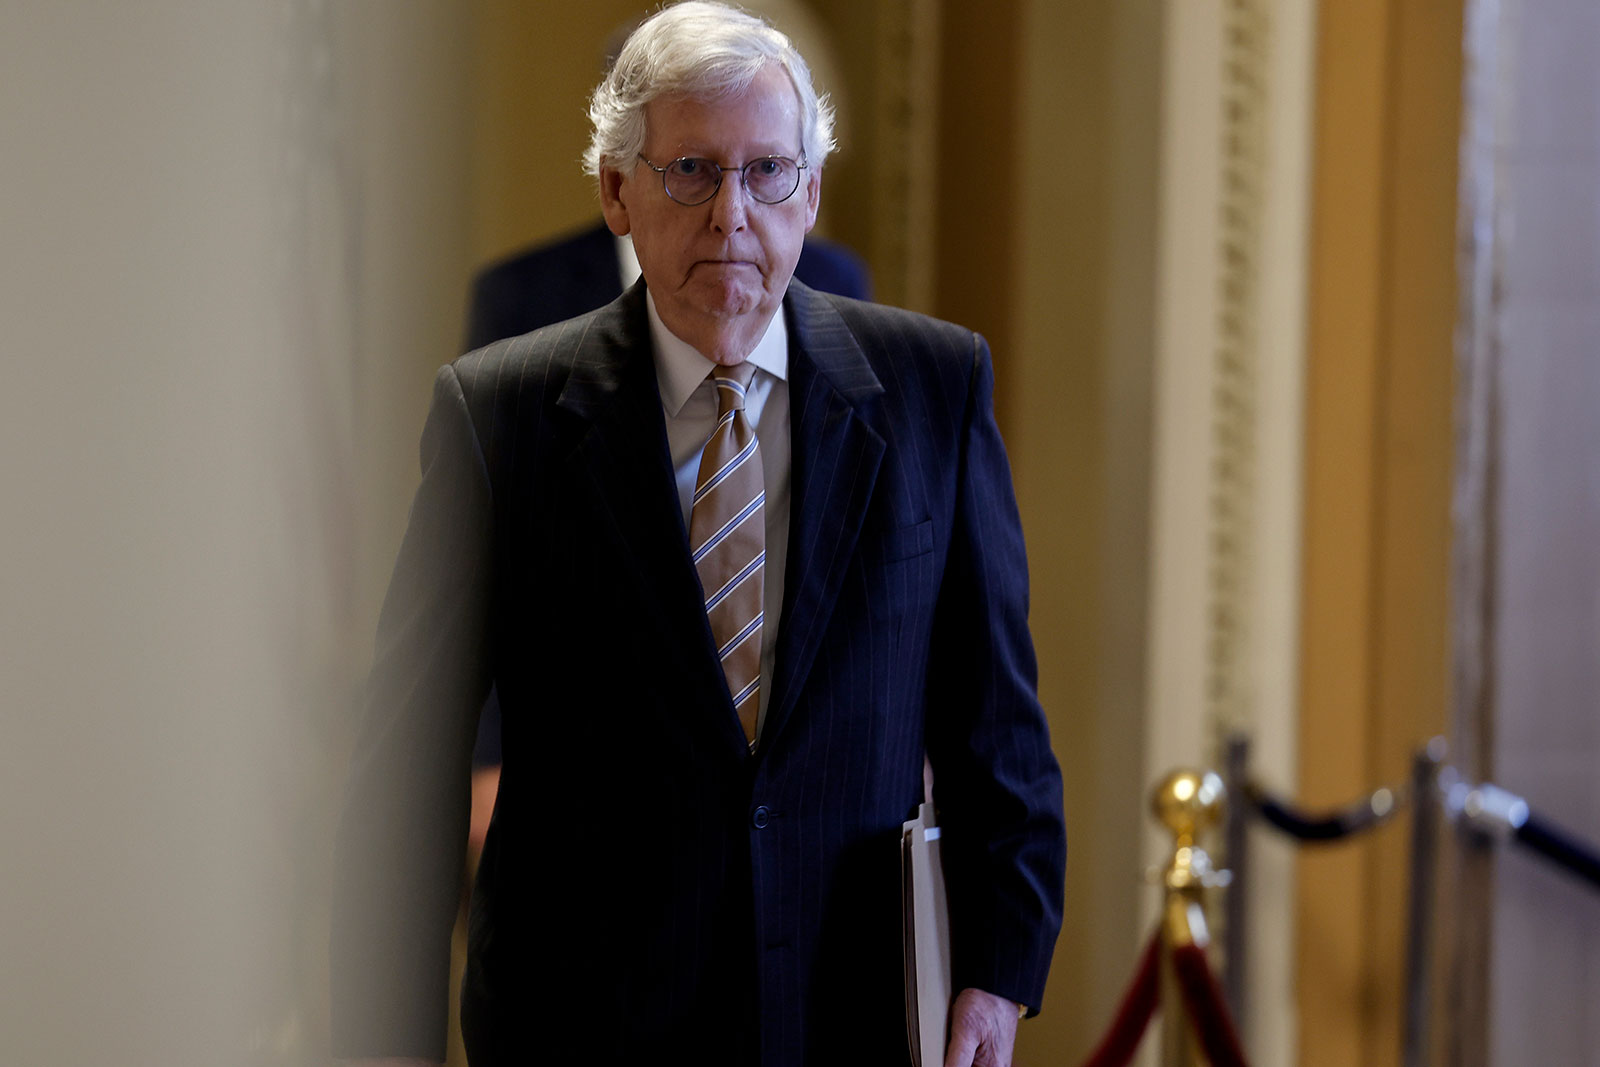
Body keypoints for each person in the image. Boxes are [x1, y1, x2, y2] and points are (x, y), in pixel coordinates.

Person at [330, 4, 1065, 1066]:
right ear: (616, 191)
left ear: (810, 192)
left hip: (850, 1011)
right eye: (690, 170)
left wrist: (997, 972)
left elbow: (997, 727)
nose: (732, 213)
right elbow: (405, 768)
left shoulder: (931, 388)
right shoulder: (503, 412)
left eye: (768, 172)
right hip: (580, 1018)